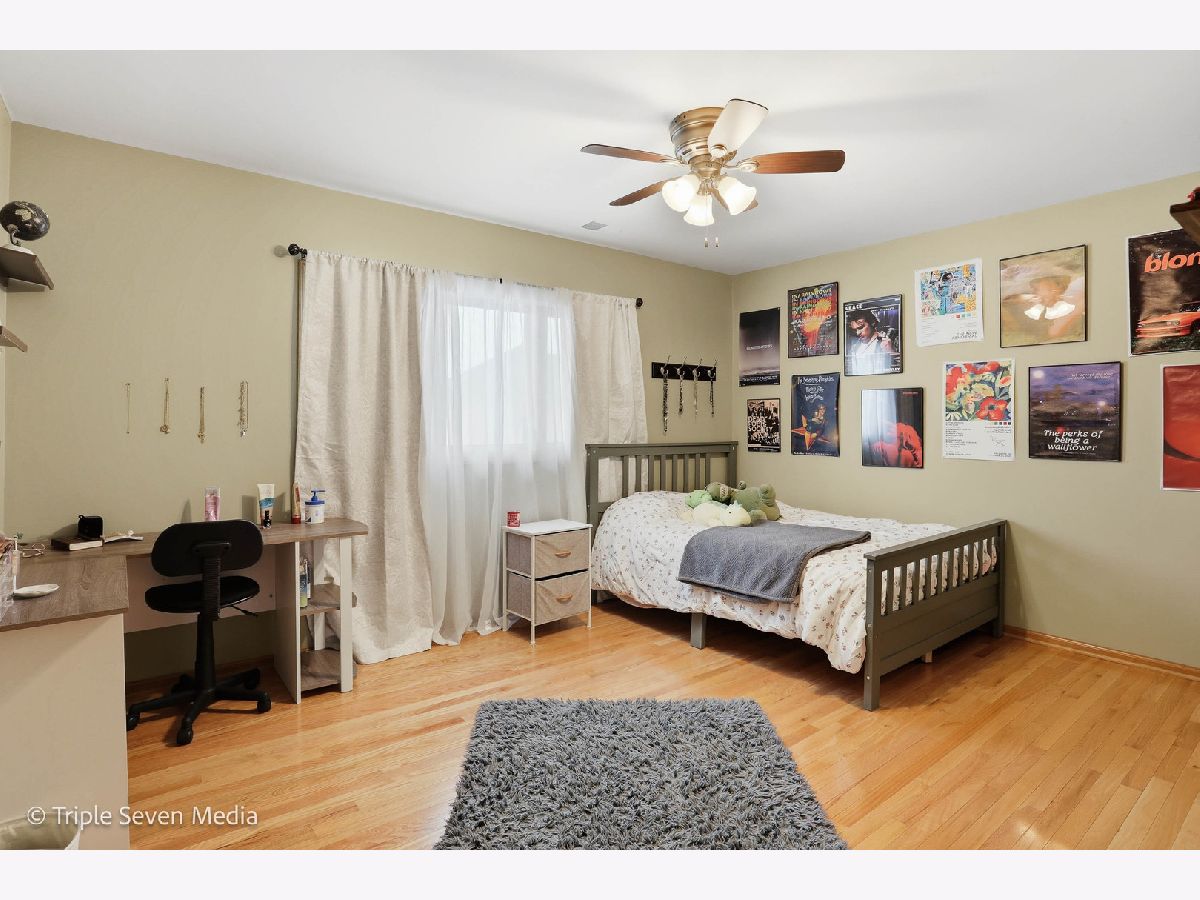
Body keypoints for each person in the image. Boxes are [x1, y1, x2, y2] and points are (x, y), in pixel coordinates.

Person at [846, 308, 897, 375]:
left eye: (860, 328)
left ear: (872, 323)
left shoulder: (885, 342)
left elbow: (897, 368)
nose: (858, 333)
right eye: (855, 330)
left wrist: (891, 352)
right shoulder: (854, 347)